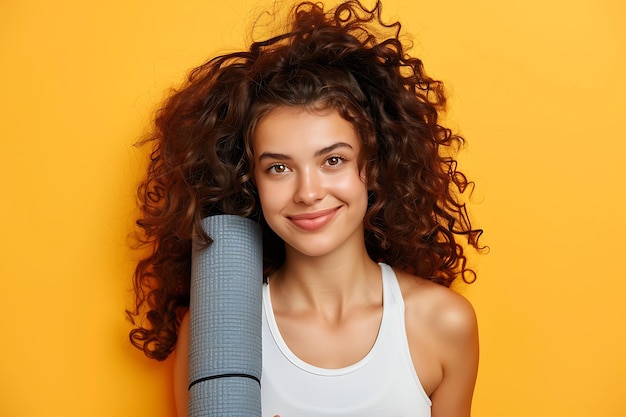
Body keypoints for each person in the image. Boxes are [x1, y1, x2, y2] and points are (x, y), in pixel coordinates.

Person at [127, 1, 484, 416]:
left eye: (333, 160)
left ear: (370, 166)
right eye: (278, 168)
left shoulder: (443, 323)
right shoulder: (214, 332)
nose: (308, 192)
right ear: (251, 183)